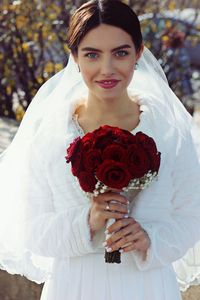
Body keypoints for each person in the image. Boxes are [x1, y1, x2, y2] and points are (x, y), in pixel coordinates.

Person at [0, 1, 200, 299]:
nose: (107, 69)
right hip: (75, 286)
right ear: (75, 58)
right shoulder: (51, 134)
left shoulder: (169, 132)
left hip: (147, 287)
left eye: (120, 53)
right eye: (92, 54)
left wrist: (149, 240)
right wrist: (88, 222)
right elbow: (29, 227)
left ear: (138, 54)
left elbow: (191, 218)